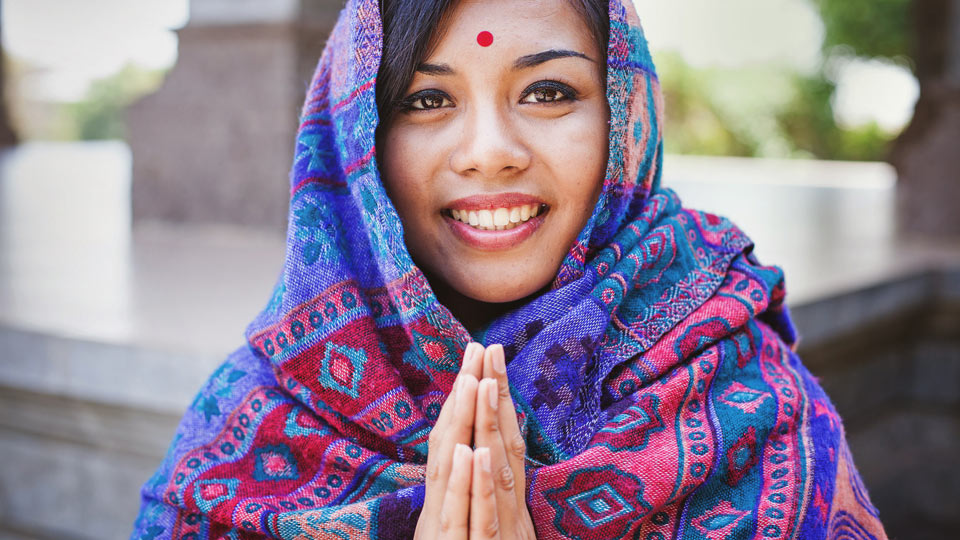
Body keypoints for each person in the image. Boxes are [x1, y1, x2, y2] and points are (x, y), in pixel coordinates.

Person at [130, 0, 889, 538]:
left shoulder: (740, 391)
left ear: (625, 115)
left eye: (549, 91)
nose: (489, 149)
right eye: (427, 98)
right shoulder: (257, 422)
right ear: (356, 137)